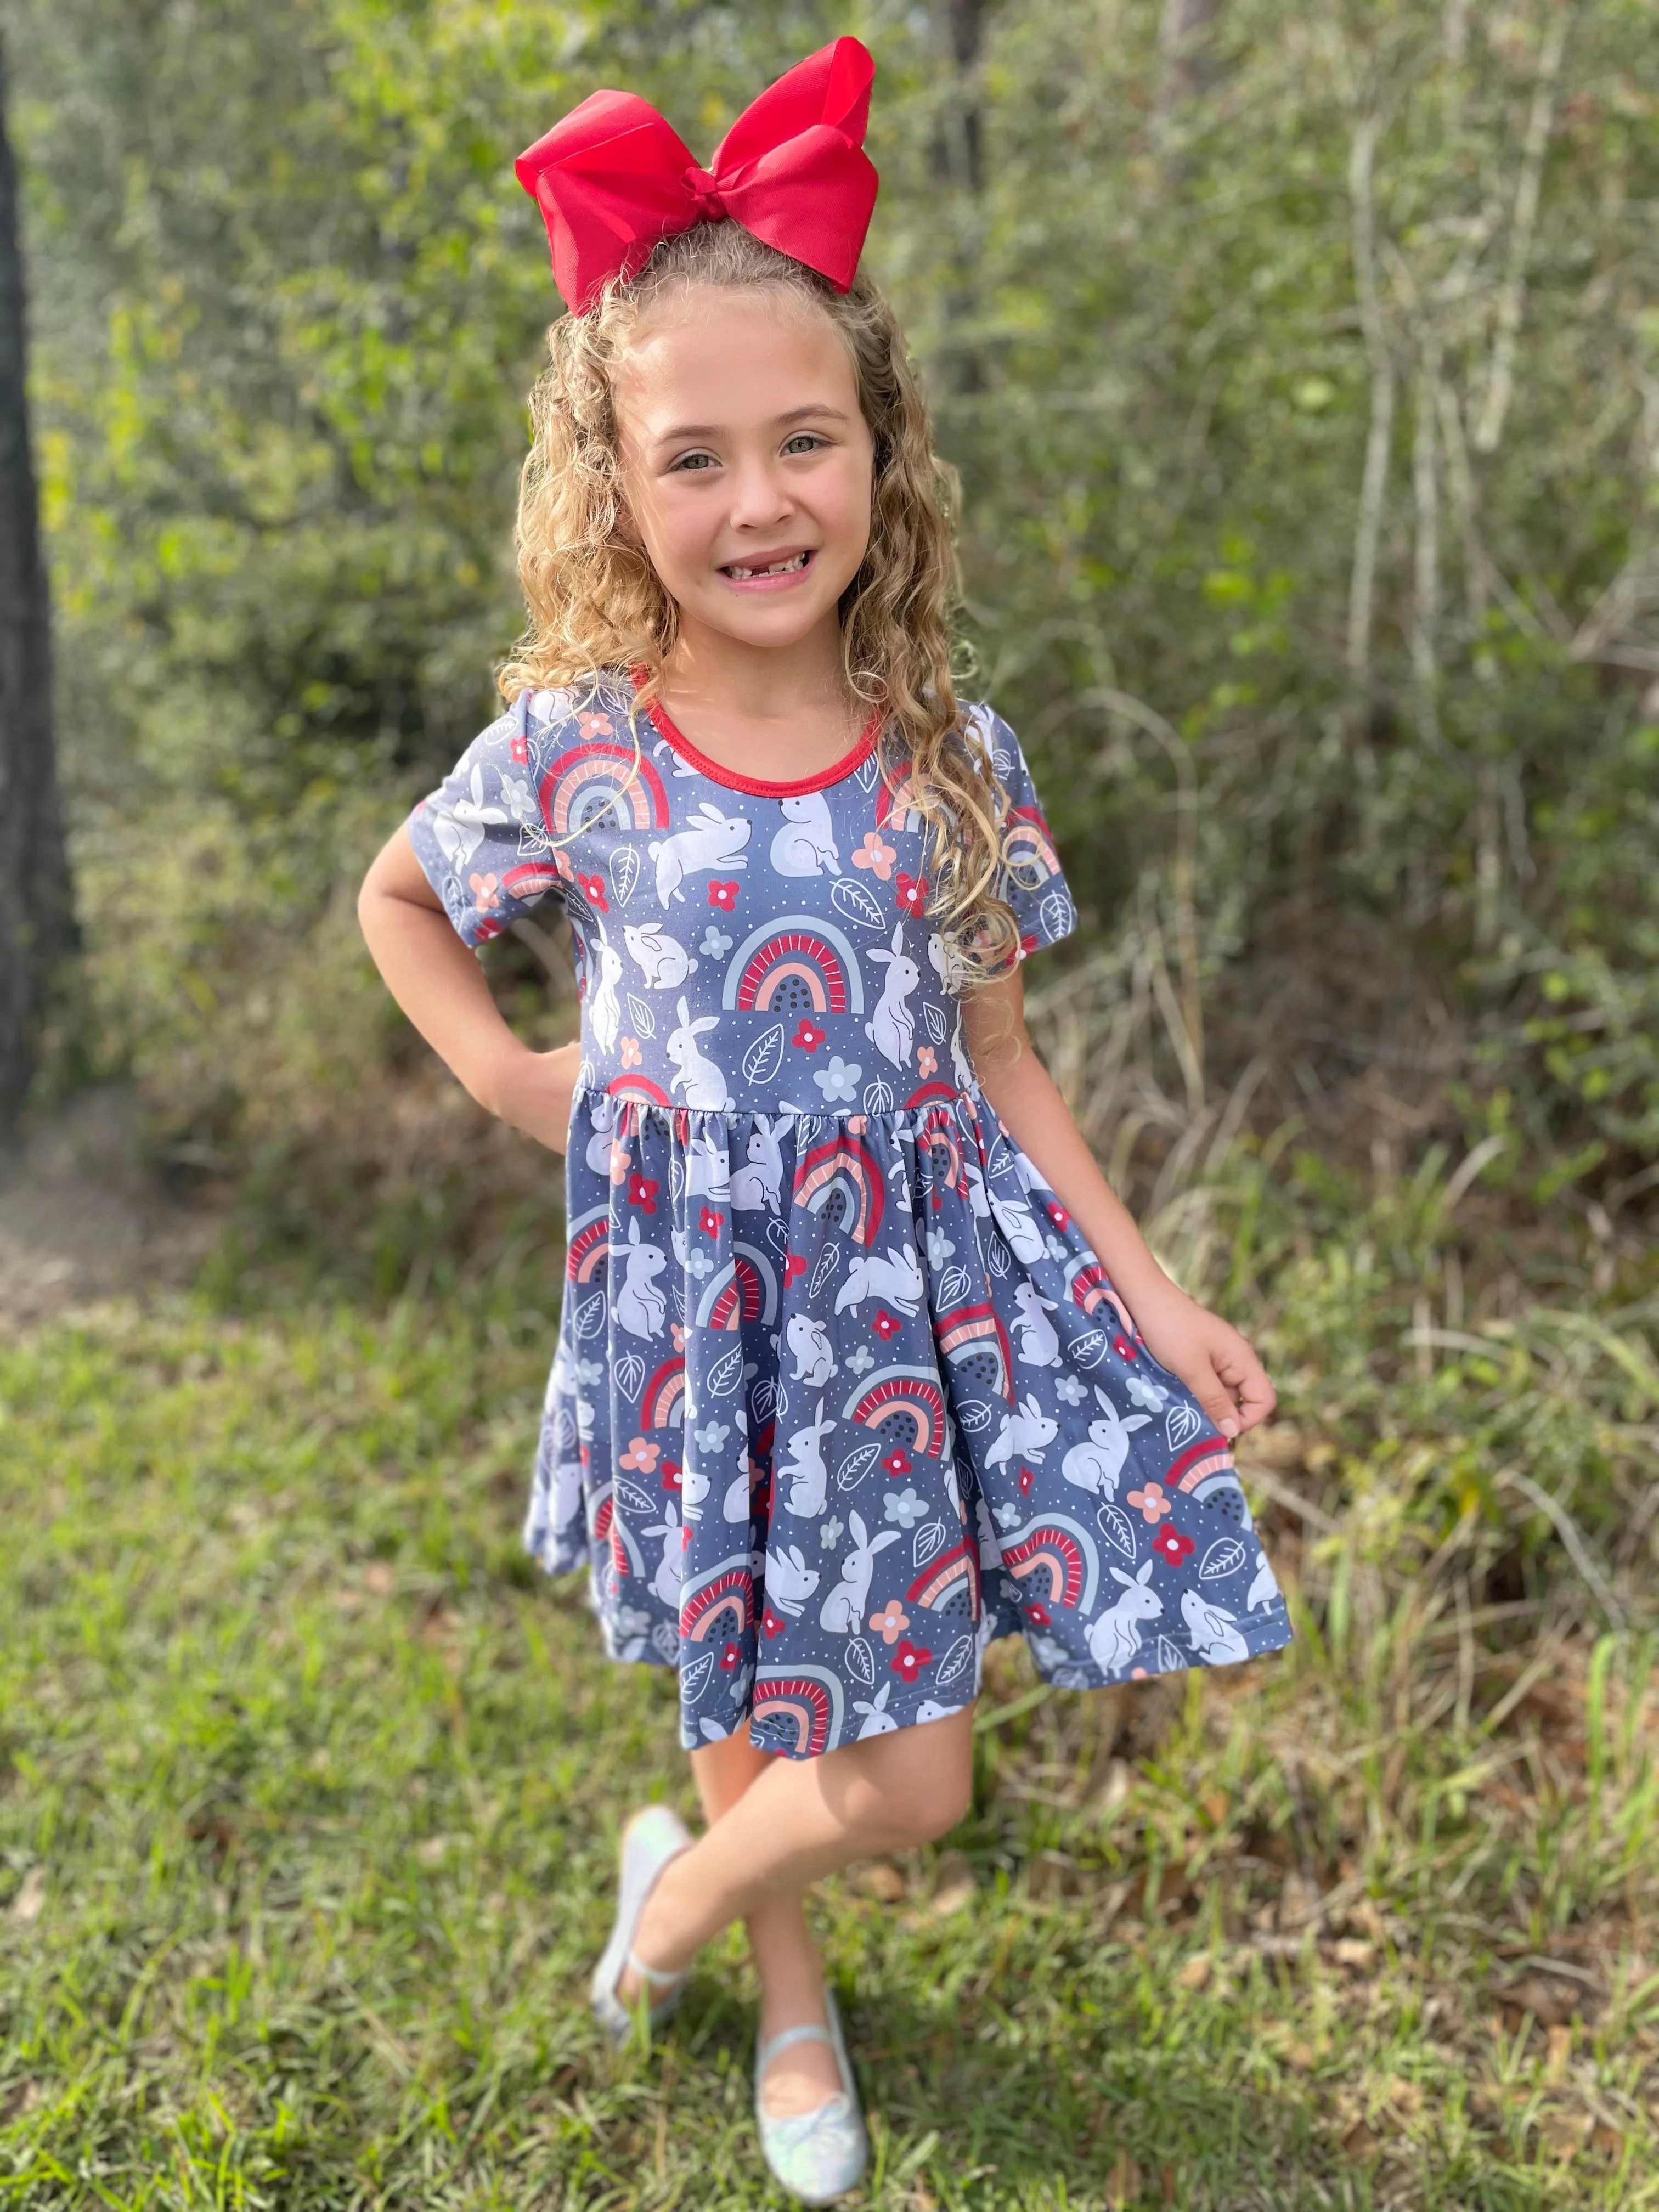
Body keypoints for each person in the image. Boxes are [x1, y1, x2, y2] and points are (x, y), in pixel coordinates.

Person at [357, 37, 1293, 2204]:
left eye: (807, 442)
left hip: (901, 1307)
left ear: (884, 456)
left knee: (918, 1775)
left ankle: (674, 1899)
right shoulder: (591, 747)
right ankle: (786, 1993)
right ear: (616, 483)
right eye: (697, 458)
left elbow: (1004, 1060)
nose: (760, 502)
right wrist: (511, 1074)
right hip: (695, 1289)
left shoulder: (952, 750)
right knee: (737, 1661)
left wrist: (1149, 1293)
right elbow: (404, 899)